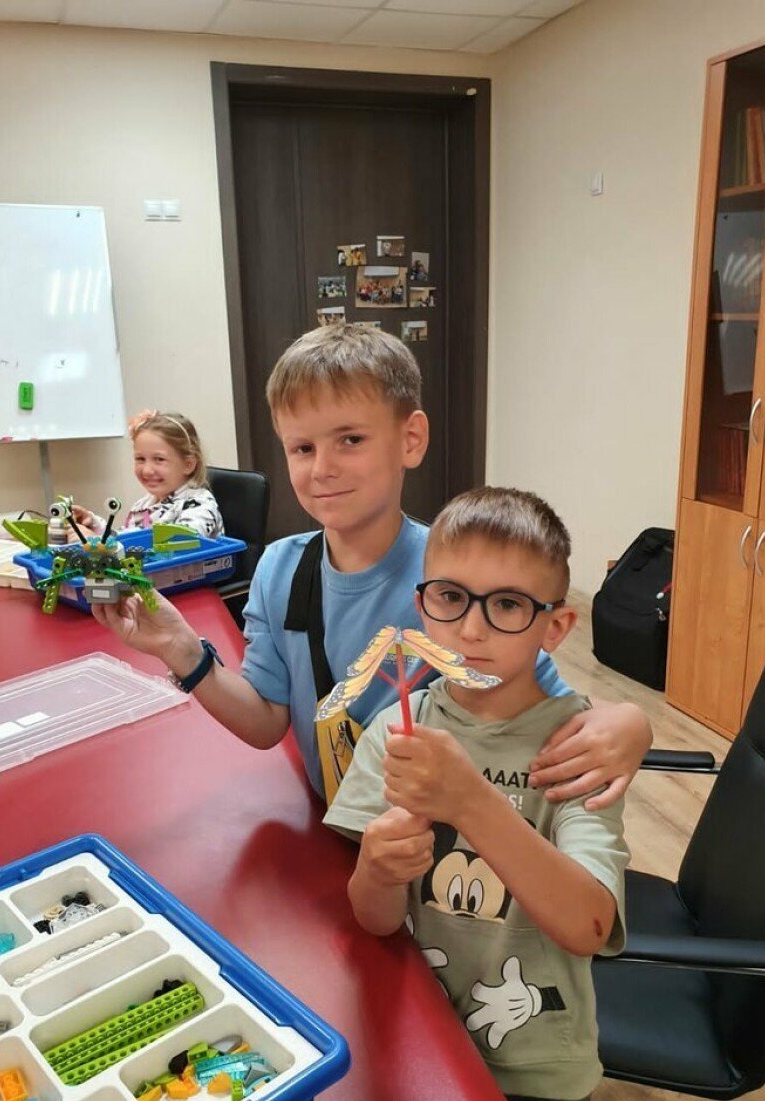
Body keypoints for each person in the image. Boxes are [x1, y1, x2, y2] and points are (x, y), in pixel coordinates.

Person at [89, 325, 650, 809]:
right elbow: (265, 722)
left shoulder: (460, 579)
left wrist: (633, 723)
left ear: (410, 439)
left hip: (442, 860)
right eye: (302, 448)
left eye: (351, 439)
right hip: (338, 843)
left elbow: (547, 701)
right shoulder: (279, 569)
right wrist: (182, 650)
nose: (322, 468)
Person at [324, 486, 629, 1101]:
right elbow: (373, 918)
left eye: (509, 605)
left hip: (535, 1073)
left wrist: (469, 801)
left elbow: (589, 925)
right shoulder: (397, 734)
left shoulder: (577, 747)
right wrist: (377, 871)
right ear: (422, 603)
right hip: (422, 1046)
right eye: (451, 597)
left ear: (555, 627)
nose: (471, 629)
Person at [73, 410, 224, 539]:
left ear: (188, 465)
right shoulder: (144, 504)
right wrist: (94, 525)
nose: (146, 470)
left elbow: (178, 548)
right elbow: (126, 538)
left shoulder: (200, 505)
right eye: (140, 459)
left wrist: (95, 543)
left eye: (159, 459)